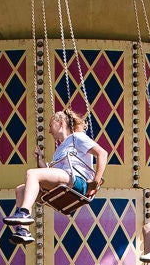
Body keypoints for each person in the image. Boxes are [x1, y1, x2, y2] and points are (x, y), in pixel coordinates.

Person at [7, 104, 107, 243]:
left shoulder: (77, 137)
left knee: (32, 174)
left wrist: (96, 181)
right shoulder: (61, 148)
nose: (48, 130)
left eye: (50, 125)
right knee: (20, 190)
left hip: (76, 180)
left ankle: (23, 212)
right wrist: (40, 160)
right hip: (64, 180)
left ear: (61, 122)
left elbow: (102, 153)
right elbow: (49, 173)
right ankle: (23, 230)